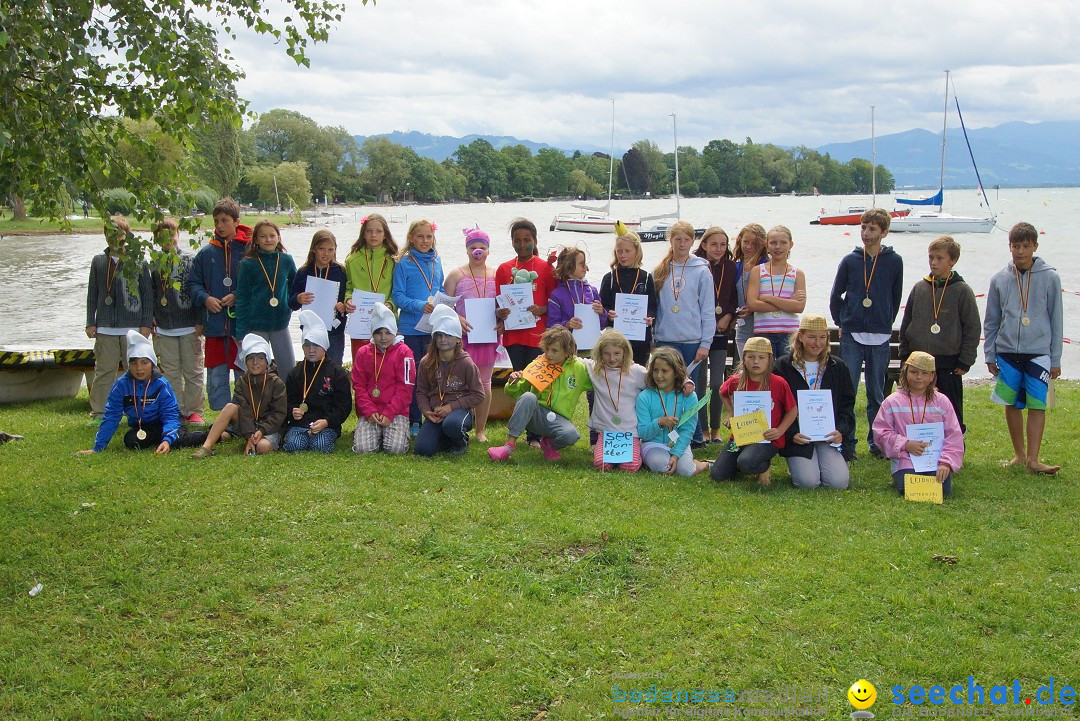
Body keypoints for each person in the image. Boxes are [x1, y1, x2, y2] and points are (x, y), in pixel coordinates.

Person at [983, 221, 1063, 474]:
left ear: (1035, 246)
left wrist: (1056, 358)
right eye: (1015, 246)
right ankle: (1019, 454)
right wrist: (990, 353)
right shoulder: (999, 279)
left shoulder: (1050, 277)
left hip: (1039, 351)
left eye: (1025, 246)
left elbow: (1057, 320)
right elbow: (992, 320)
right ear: (1009, 247)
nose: (1020, 251)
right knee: (1012, 403)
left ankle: (1034, 458)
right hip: (1007, 351)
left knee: (1038, 404)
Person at [829, 207, 903, 459]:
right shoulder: (850, 261)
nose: (866, 233)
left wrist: (884, 321)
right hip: (852, 333)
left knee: (876, 392)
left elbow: (896, 296)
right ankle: (847, 441)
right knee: (848, 389)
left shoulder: (894, 261)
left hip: (880, 336)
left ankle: (877, 441)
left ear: (884, 232)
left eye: (872, 228)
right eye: (863, 227)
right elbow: (836, 295)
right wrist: (843, 321)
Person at [898, 235, 981, 432]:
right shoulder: (920, 287)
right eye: (930, 257)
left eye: (939, 258)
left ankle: (953, 447)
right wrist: (904, 354)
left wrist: (965, 360)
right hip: (917, 361)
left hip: (947, 363)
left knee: (949, 409)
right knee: (916, 408)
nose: (933, 262)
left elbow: (972, 327)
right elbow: (906, 321)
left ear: (952, 260)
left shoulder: (962, 290)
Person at [78, 330, 207, 454]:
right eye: (134, 363)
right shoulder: (121, 385)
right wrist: (98, 447)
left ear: (152, 364)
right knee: (131, 441)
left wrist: (167, 439)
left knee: (177, 441)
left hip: (167, 422)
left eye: (144, 362)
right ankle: (160, 439)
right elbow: (112, 416)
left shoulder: (161, 384)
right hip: (143, 426)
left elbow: (170, 416)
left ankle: (216, 434)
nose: (139, 368)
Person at [488, 325, 592, 462]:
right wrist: (513, 382)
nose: (549, 354)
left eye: (554, 350)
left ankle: (549, 444)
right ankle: (509, 446)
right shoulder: (539, 363)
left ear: (567, 352)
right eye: (547, 349)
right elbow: (516, 392)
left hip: (558, 420)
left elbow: (598, 381)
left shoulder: (579, 369)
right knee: (528, 397)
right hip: (534, 415)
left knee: (571, 435)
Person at [774, 315, 856, 490]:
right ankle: (801, 465)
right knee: (808, 483)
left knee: (838, 483)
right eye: (811, 337)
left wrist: (840, 431)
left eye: (822, 337)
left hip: (827, 436)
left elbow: (847, 405)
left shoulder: (837, 366)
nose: (817, 343)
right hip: (799, 438)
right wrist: (791, 434)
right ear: (801, 337)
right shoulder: (783, 367)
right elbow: (777, 407)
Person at [85, 215, 153, 420]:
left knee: (137, 371)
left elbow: (147, 295)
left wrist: (146, 323)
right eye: (110, 234)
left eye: (119, 234)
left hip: (132, 327)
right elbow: (92, 293)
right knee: (104, 371)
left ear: (127, 236)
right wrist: (90, 321)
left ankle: (139, 411)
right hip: (105, 327)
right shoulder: (98, 261)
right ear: (105, 235)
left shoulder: (138, 261)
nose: (114, 239)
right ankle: (99, 412)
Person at [652, 220, 713, 447]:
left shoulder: (702, 271)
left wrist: (705, 342)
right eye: (677, 239)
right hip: (665, 339)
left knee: (689, 392)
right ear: (671, 240)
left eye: (686, 239)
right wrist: (652, 337)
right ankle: (668, 436)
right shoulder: (660, 270)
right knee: (665, 389)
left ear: (692, 241)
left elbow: (707, 309)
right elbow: (654, 308)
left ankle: (694, 438)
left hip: (691, 341)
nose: (682, 243)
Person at [187, 198, 252, 410]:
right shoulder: (206, 253)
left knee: (244, 371)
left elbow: (257, 282)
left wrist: (237, 294)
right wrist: (205, 298)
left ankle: (245, 412)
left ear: (236, 221)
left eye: (224, 220)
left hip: (242, 325)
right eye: (216, 221)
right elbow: (193, 283)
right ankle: (221, 416)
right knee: (216, 373)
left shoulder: (249, 251)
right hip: (214, 325)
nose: (219, 225)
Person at [872, 351, 964, 497]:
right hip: (905, 460)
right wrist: (905, 444)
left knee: (943, 491)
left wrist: (946, 463)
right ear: (905, 372)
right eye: (914, 372)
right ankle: (901, 478)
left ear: (932, 376)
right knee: (909, 488)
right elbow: (881, 433)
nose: (919, 377)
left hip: (935, 460)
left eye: (925, 373)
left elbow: (953, 435)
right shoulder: (892, 402)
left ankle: (935, 475)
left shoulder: (942, 402)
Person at [711, 336, 798, 486]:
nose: (756, 361)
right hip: (741, 436)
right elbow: (722, 392)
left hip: (768, 438)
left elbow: (792, 410)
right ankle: (741, 463)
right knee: (717, 475)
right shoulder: (735, 381)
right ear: (744, 359)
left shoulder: (778, 383)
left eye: (761, 357)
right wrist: (731, 412)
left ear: (769, 360)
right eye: (751, 357)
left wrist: (779, 431)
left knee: (746, 462)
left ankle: (763, 467)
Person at [191, 334, 287, 457]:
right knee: (230, 407)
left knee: (262, 447)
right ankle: (206, 447)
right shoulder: (242, 382)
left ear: (267, 361)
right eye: (251, 358)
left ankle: (233, 434)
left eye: (260, 358)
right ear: (245, 361)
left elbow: (278, 414)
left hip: (269, 427)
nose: (255, 362)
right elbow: (244, 410)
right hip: (248, 424)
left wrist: (261, 431)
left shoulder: (276, 383)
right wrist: (249, 436)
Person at [444, 227, 498, 442]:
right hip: (462, 337)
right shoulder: (456, 274)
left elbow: (503, 305)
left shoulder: (496, 274)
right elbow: (443, 305)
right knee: (459, 383)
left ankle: (480, 430)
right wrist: (456, 317)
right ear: (466, 250)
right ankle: (456, 424)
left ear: (488, 250)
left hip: (488, 338)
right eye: (473, 247)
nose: (478, 251)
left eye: (482, 248)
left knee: (484, 383)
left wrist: (501, 321)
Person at [391, 218, 444, 436]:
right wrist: (420, 306)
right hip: (411, 328)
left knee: (433, 376)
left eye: (428, 236)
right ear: (411, 238)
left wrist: (444, 304)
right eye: (420, 236)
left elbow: (439, 289)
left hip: (432, 328)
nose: (425, 240)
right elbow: (398, 296)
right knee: (412, 375)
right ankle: (414, 419)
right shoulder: (403, 263)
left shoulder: (436, 261)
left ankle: (434, 416)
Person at [151, 217, 205, 424]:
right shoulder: (153, 263)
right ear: (156, 239)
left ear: (178, 235)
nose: (169, 240)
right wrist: (150, 317)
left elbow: (199, 291)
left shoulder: (191, 260)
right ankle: (176, 410)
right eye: (163, 236)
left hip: (190, 325)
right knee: (171, 372)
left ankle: (194, 410)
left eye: (172, 235)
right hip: (164, 326)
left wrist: (201, 320)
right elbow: (151, 292)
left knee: (193, 371)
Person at [415, 305, 485, 457]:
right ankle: (446, 438)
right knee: (422, 450)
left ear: (457, 339)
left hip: (458, 412)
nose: (443, 339)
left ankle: (461, 441)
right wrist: (427, 411)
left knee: (452, 424)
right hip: (435, 413)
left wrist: (451, 407)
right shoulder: (426, 362)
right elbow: (421, 392)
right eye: (439, 335)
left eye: (448, 335)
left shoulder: (466, 363)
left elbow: (478, 395)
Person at [282, 311, 351, 453]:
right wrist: (292, 411)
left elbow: (343, 405)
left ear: (324, 347)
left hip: (326, 424)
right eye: (307, 345)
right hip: (299, 424)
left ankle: (320, 435)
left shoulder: (337, 373)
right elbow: (287, 402)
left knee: (320, 446)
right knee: (294, 446)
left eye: (316, 345)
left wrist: (327, 422)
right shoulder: (295, 373)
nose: (311, 350)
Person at [636, 346, 711, 477]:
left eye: (665, 371)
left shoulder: (689, 396)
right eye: (655, 370)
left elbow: (688, 429)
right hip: (653, 444)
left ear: (676, 372)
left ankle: (704, 464)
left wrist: (676, 455)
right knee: (661, 466)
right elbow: (643, 433)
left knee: (685, 471)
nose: (659, 376)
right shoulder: (644, 397)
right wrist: (658, 422)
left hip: (679, 441)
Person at [494, 218, 557, 371]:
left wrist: (542, 309)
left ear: (535, 241)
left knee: (536, 381)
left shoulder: (546, 268)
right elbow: (497, 303)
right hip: (513, 336)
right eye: (517, 241)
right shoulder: (503, 269)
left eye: (526, 240)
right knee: (518, 380)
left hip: (538, 336)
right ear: (512, 242)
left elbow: (557, 302)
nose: (522, 245)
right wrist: (500, 313)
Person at [351, 303, 415, 455]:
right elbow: (358, 386)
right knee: (363, 449)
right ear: (373, 333)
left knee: (395, 449)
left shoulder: (404, 353)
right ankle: (372, 432)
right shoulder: (363, 353)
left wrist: (389, 412)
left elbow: (405, 389)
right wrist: (369, 411)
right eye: (379, 333)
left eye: (388, 332)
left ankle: (392, 432)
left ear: (395, 332)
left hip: (396, 411)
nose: (384, 337)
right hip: (370, 411)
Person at [694, 226, 738, 443]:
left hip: (721, 332)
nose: (719, 249)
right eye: (714, 244)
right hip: (700, 333)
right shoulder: (695, 265)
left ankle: (715, 430)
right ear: (704, 245)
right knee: (700, 383)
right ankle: (702, 429)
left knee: (717, 383)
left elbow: (733, 296)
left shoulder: (731, 266)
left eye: (723, 245)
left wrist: (728, 315)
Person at [235, 219, 297, 370]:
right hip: (256, 325)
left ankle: (287, 395)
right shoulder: (248, 264)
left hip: (280, 323)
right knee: (258, 369)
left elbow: (295, 287)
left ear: (278, 237)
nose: (268, 240)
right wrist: (241, 333)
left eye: (272, 235)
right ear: (256, 239)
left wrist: (287, 304)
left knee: (288, 368)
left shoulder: (286, 260)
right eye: (263, 236)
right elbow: (242, 298)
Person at [585, 329, 648, 472]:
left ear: (625, 352)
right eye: (607, 354)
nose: (612, 358)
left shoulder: (636, 371)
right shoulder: (595, 369)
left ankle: (638, 450)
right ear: (600, 354)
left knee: (629, 467)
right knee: (602, 465)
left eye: (617, 354)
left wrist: (686, 382)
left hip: (629, 432)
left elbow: (660, 379)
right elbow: (571, 359)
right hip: (606, 433)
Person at [746, 225, 806, 360]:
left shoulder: (797, 274)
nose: (778, 247)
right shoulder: (758, 271)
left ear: (790, 245)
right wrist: (788, 302)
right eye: (773, 243)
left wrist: (768, 298)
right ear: (766, 245)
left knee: (787, 373)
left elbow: (799, 307)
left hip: (789, 332)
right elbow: (752, 304)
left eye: (783, 243)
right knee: (765, 373)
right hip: (764, 331)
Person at [599, 228, 656, 367]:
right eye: (619, 251)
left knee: (638, 376)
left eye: (627, 251)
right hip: (615, 340)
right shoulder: (610, 278)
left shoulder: (646, 277)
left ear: (637, 251)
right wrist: (608, 315)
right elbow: (602, 308)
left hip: (640, 340)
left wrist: (650, 318)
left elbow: (653, 307)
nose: (622, 255)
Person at [344, 213, 397, 359]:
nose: (374, 235)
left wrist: (391, 304)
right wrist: (348, 300)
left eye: (379, 231)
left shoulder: (394, 261)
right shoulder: (352, 260)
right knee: (361, 365)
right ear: (363, 234)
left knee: (388, 366)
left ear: (385, 234)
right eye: (369, 231)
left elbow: (398, 290)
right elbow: (348, 288)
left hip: (387, 321)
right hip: (360, 322)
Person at [292, 229, 348, 365]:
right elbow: (291, 302)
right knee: (312, 367)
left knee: (334, 367)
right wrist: (298, 298)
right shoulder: (303, 272)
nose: (326, 253)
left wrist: (343, 305)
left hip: (334, 331)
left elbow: (347, 296)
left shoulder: (340, 271)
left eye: (330, 249)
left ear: (335, 250)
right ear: (313, 249)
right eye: (322, 249)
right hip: (310, 331)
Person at [732, 223, 768, 358]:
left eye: (754, 244)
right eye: (746, 242)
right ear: (740, 240)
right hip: (742, 327)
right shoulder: (736, 265)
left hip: (763, 326)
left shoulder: (766, 265)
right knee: (745, 367)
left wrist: (753, 309)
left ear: (762, 245)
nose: (749, 247)